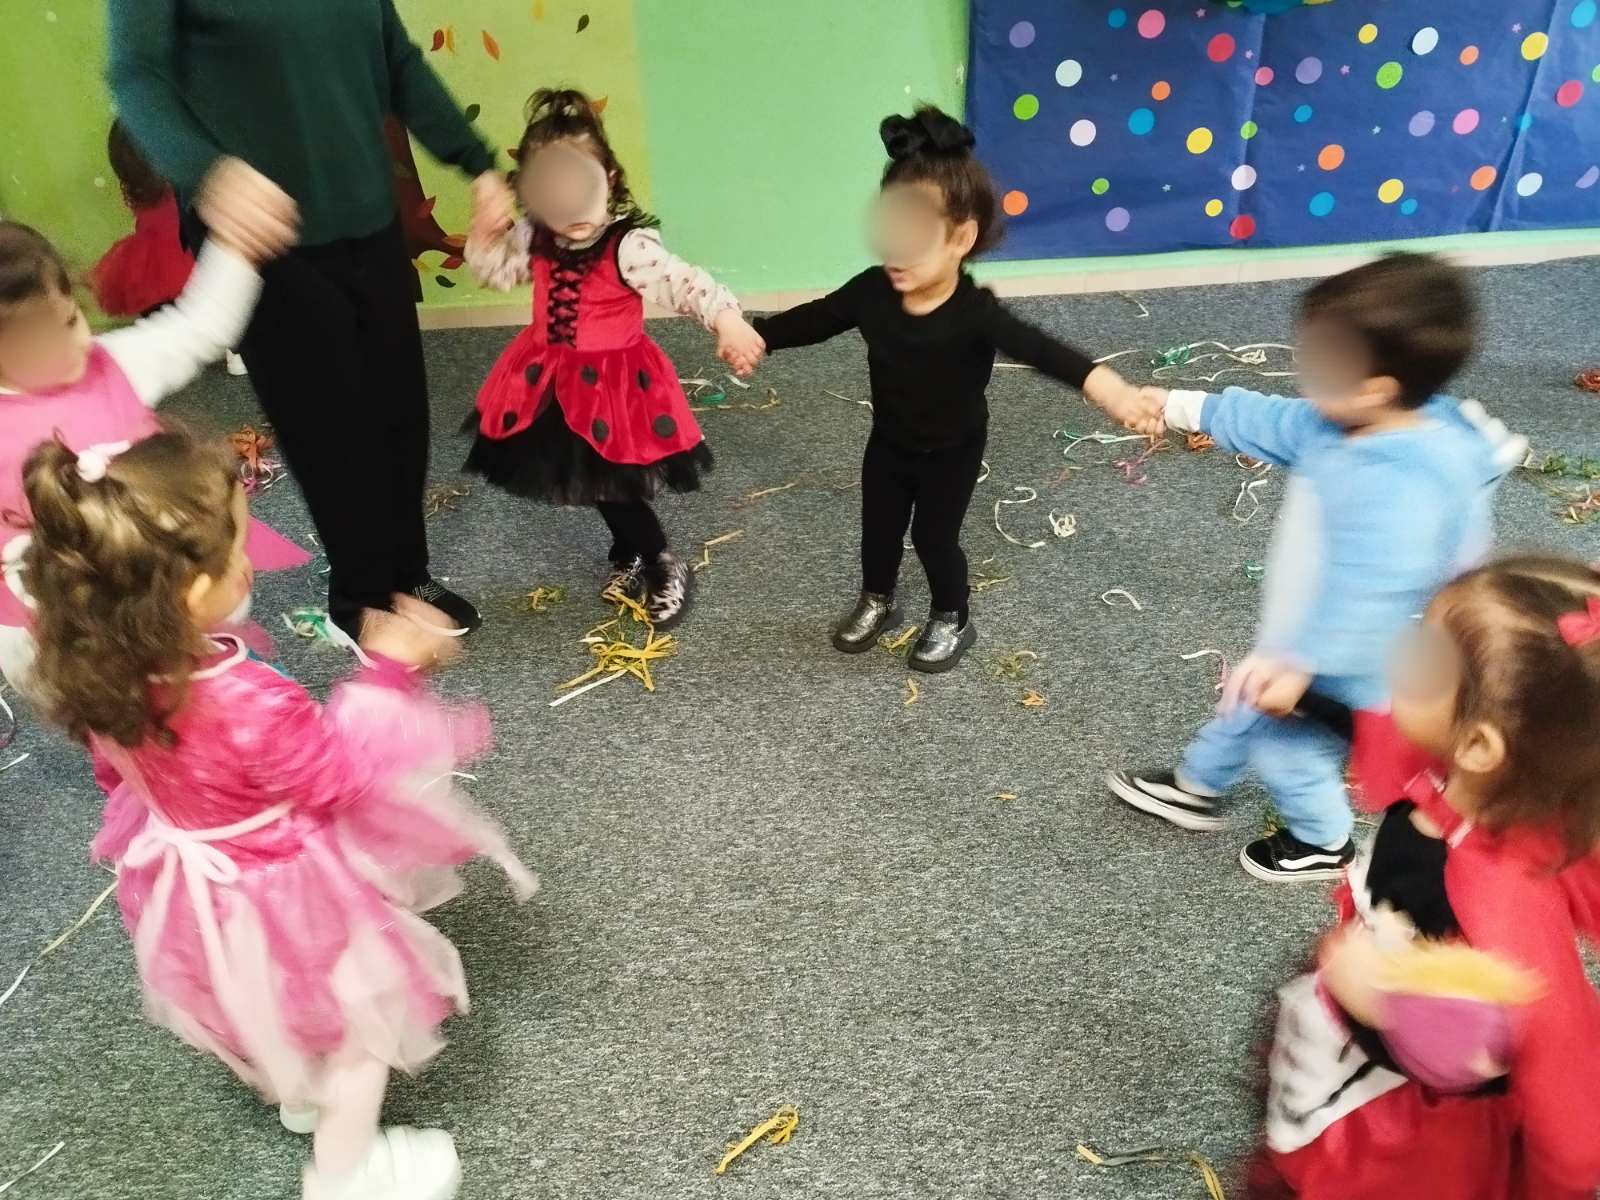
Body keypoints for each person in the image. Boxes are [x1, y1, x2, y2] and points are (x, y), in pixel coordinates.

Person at [20, 430, 536, 1200]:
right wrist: (389, 676)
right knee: (359, 1032)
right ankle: (346, 1174)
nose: (250, 559)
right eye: (238, 546)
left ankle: (297, 1086)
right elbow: (339, 776)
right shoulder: (246, 699)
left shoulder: (100, 668)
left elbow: (112, 776)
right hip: (283, 894)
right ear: (192, 592)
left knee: (254, 1002)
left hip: (185, 889)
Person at [1107, 254, 1524, 881]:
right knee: (1248, 699)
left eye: (1321, 362)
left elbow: (1372, 593)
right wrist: (1180, 406)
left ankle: (1323, 840)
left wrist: (1301, 664)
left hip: (1364, 658)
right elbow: (1275, 421)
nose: (1306, 375)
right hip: (1313, 628)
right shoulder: (1344, 419)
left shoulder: (1400, 485)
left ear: (1375, 388)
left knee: (1286, 747)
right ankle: (1197, 784)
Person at [108, 0, 514, 638]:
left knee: (399, 414)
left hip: (366, 215)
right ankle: (359, 598)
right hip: (263, 238)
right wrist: (208, 173)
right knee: (330, 429)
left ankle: (407, 573)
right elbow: (136, 76)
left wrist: (479, 165)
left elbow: (395, 59)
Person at [748, 106, 1153, 672]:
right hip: (889, 442)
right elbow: (817, 317)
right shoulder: (872, 291)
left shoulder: (974, 313)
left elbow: (1040, 349)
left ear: (961, 237)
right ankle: (878, 598)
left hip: (952, 451)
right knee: (878, 531)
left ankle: (952, 615)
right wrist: (759, 336)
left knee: (934, 539)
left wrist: (1109, 388)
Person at [1250, 556, 1600, 1199]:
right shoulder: (1457, 775)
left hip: (1407, 1124)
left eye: (1426, 659)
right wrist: (1307, 696)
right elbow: (1385, 734)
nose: (1400, 655)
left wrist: (1378, 1000)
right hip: (1361, 1005)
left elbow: (1553, 1078)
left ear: (1480, 745)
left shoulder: (1504, 906)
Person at [463, 88, 763, 628]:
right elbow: (499, 273)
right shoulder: (536, 237)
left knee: (609, 483)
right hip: (549, 379)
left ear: (610, 180)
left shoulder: (629, 246)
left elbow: (684, 283)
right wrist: (485, 238)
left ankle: (661, 560)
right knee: (588, 478)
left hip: (614, 387)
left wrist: (727, 319)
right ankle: (627, 552)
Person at [0, 220, 306, 693]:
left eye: (70, 320)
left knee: (217, 698)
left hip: (186, 602)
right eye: (35, 343)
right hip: (71, 646)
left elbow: (199, 327)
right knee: (120, 724)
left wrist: (235, 245)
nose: (75, 346)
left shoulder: (110, 363)